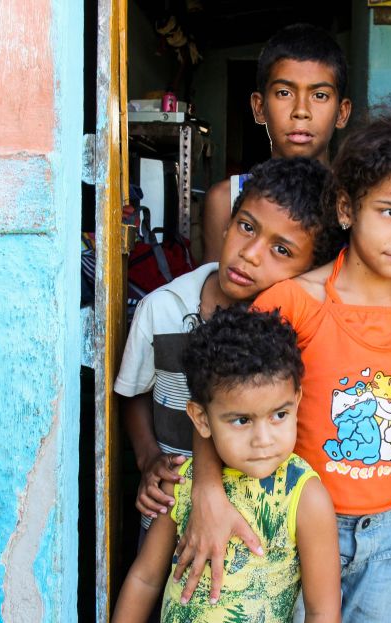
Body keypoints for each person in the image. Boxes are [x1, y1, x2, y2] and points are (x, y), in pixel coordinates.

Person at [177, 106, 391, 621]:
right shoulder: (294, 301)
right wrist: (205, 489)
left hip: (390, 532)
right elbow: (218, 400)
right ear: (346, 207)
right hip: (291, 519)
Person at [114, 157, 342, 535]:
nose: (250, 253)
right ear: (227, 224)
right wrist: (148, 458)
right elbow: (133, 393)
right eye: (246, 227)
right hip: (168, 504)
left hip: (259, 523)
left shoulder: (299, 328)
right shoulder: (163, 307)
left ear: (308, 270)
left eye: (281, 250)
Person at [112, 305, 342, 623]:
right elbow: (145, 578)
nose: (263, 439)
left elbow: (323, 611)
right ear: (201, 419)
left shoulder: (305, 496)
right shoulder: (180, 482)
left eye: (279, 415)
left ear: (297, 403)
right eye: (241, 420)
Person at [201, 23, 352, 263]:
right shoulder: (225, 200)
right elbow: (216, 292)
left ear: (342, 113)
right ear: (259, 108)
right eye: (284, 93)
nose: (301, 111)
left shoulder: (355, 200)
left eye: (319, 95)